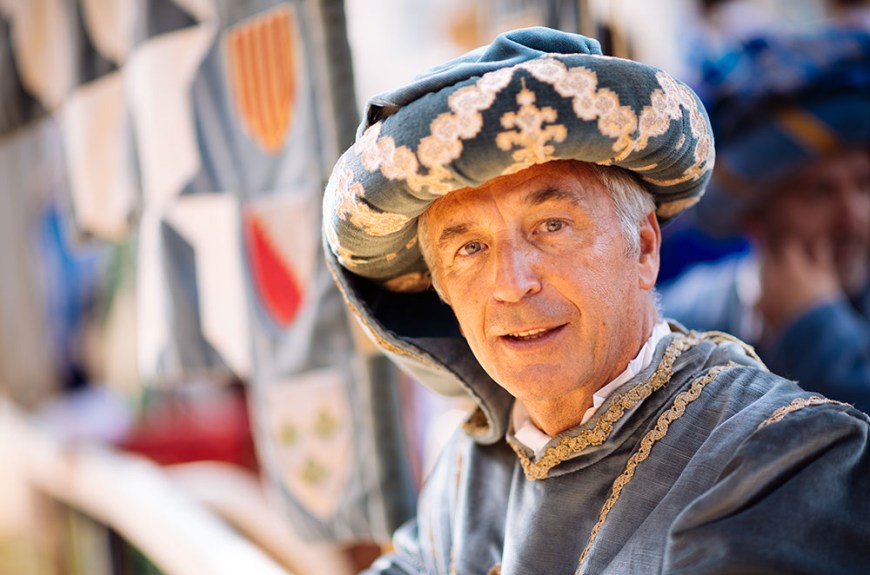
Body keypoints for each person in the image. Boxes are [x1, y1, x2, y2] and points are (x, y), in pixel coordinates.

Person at [322, 27, 870, 574]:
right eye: (470, 247)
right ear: (442, 289)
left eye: (552, 225)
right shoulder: (470, 467)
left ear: (645, 248)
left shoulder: (787, 457)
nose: (512, 284)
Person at [661, 26, 870, 412]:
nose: (854, 217)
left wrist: (816, 333)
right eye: (819, 192)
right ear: (754, 215)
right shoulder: (681, 326)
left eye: (864, 185)